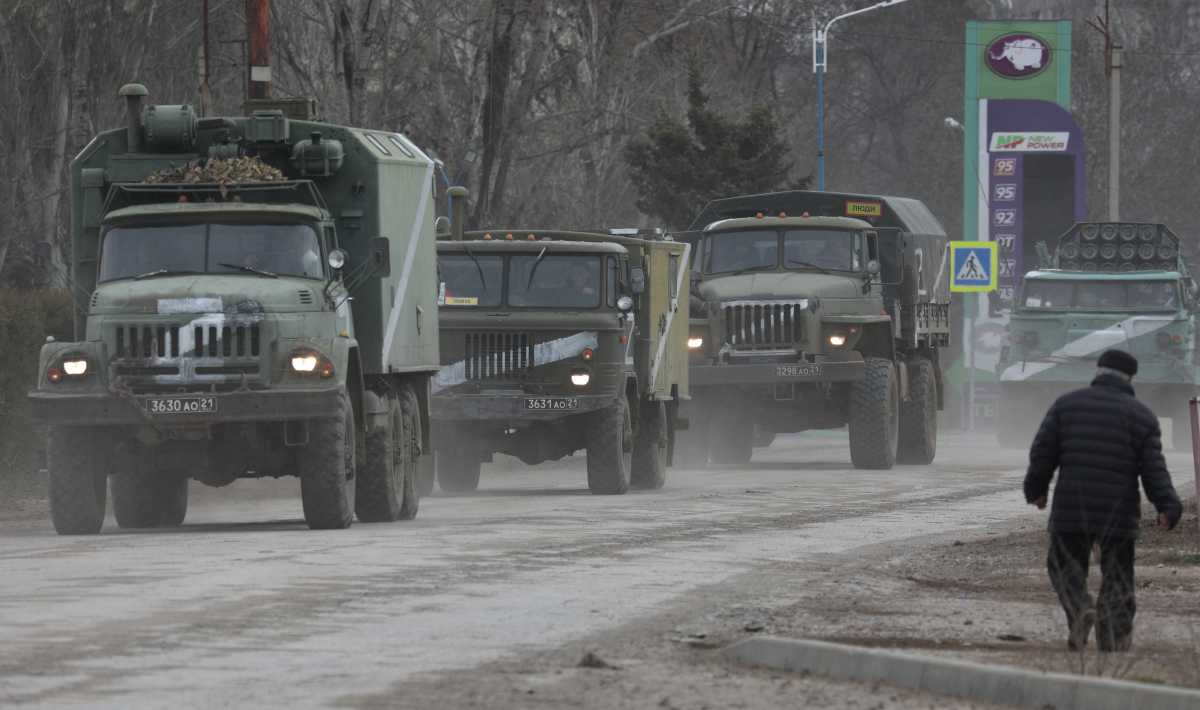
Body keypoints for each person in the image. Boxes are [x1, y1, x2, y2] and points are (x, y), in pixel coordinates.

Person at [1024, 349, 1182, 652]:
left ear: (1098, 372)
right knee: (1118, 574)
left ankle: (1080, 609)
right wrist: (1168, 506)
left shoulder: (1066, 405)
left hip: (1072, 508)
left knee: (1064, 567)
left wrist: (1036, 490)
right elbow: (1154, 470)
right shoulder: (1142, 417)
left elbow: (1042, 453)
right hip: (1118, 513)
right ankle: (1113, 637)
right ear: (1130, 378)